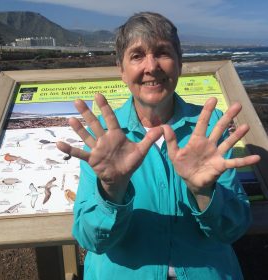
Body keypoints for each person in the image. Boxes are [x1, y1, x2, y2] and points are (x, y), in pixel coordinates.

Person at [57, 12, 260, 280]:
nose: (151, 66)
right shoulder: (103, 138)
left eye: (162, 52)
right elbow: (91, 239)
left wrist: (204, 192)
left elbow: (231, 231)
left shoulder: (210, 130)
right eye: (137, 55)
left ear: (179, 63)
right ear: (121, 69)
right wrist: (112, 190)